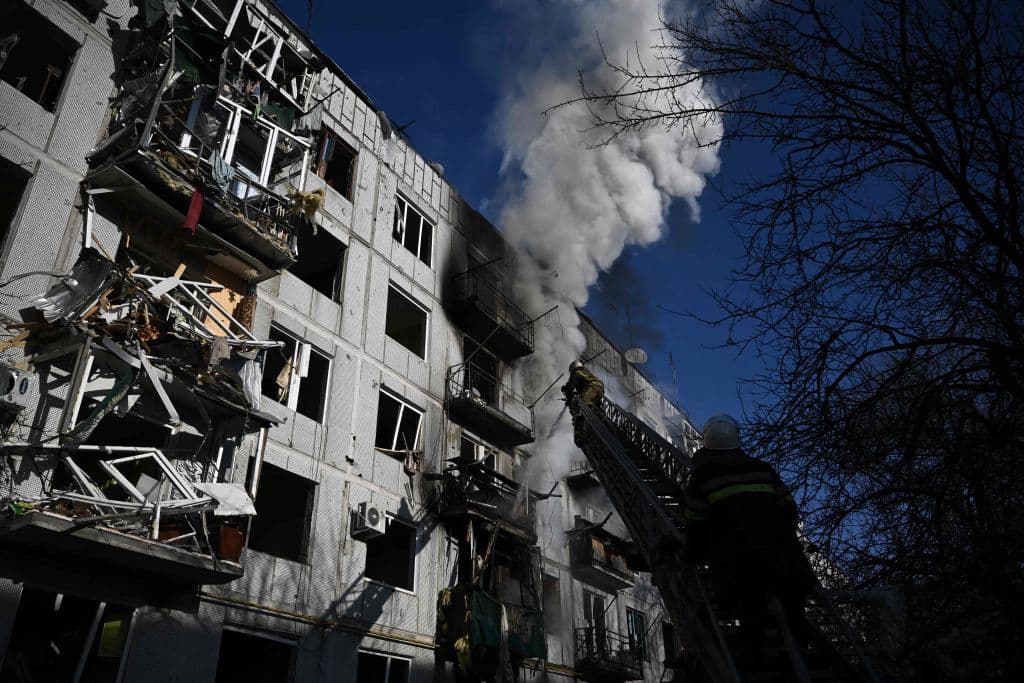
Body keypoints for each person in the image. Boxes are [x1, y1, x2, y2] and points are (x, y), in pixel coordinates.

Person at [683, 414, 815, 663]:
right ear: (737, 441)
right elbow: (789, 509)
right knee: (792, 606)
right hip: (783, 555)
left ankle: (758, 657)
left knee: (751, 612)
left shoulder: (703, 477)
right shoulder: (763, 469)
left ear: (707, 446)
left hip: (738, 561)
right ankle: (800, 653)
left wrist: (693, 556)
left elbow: (695, 524)